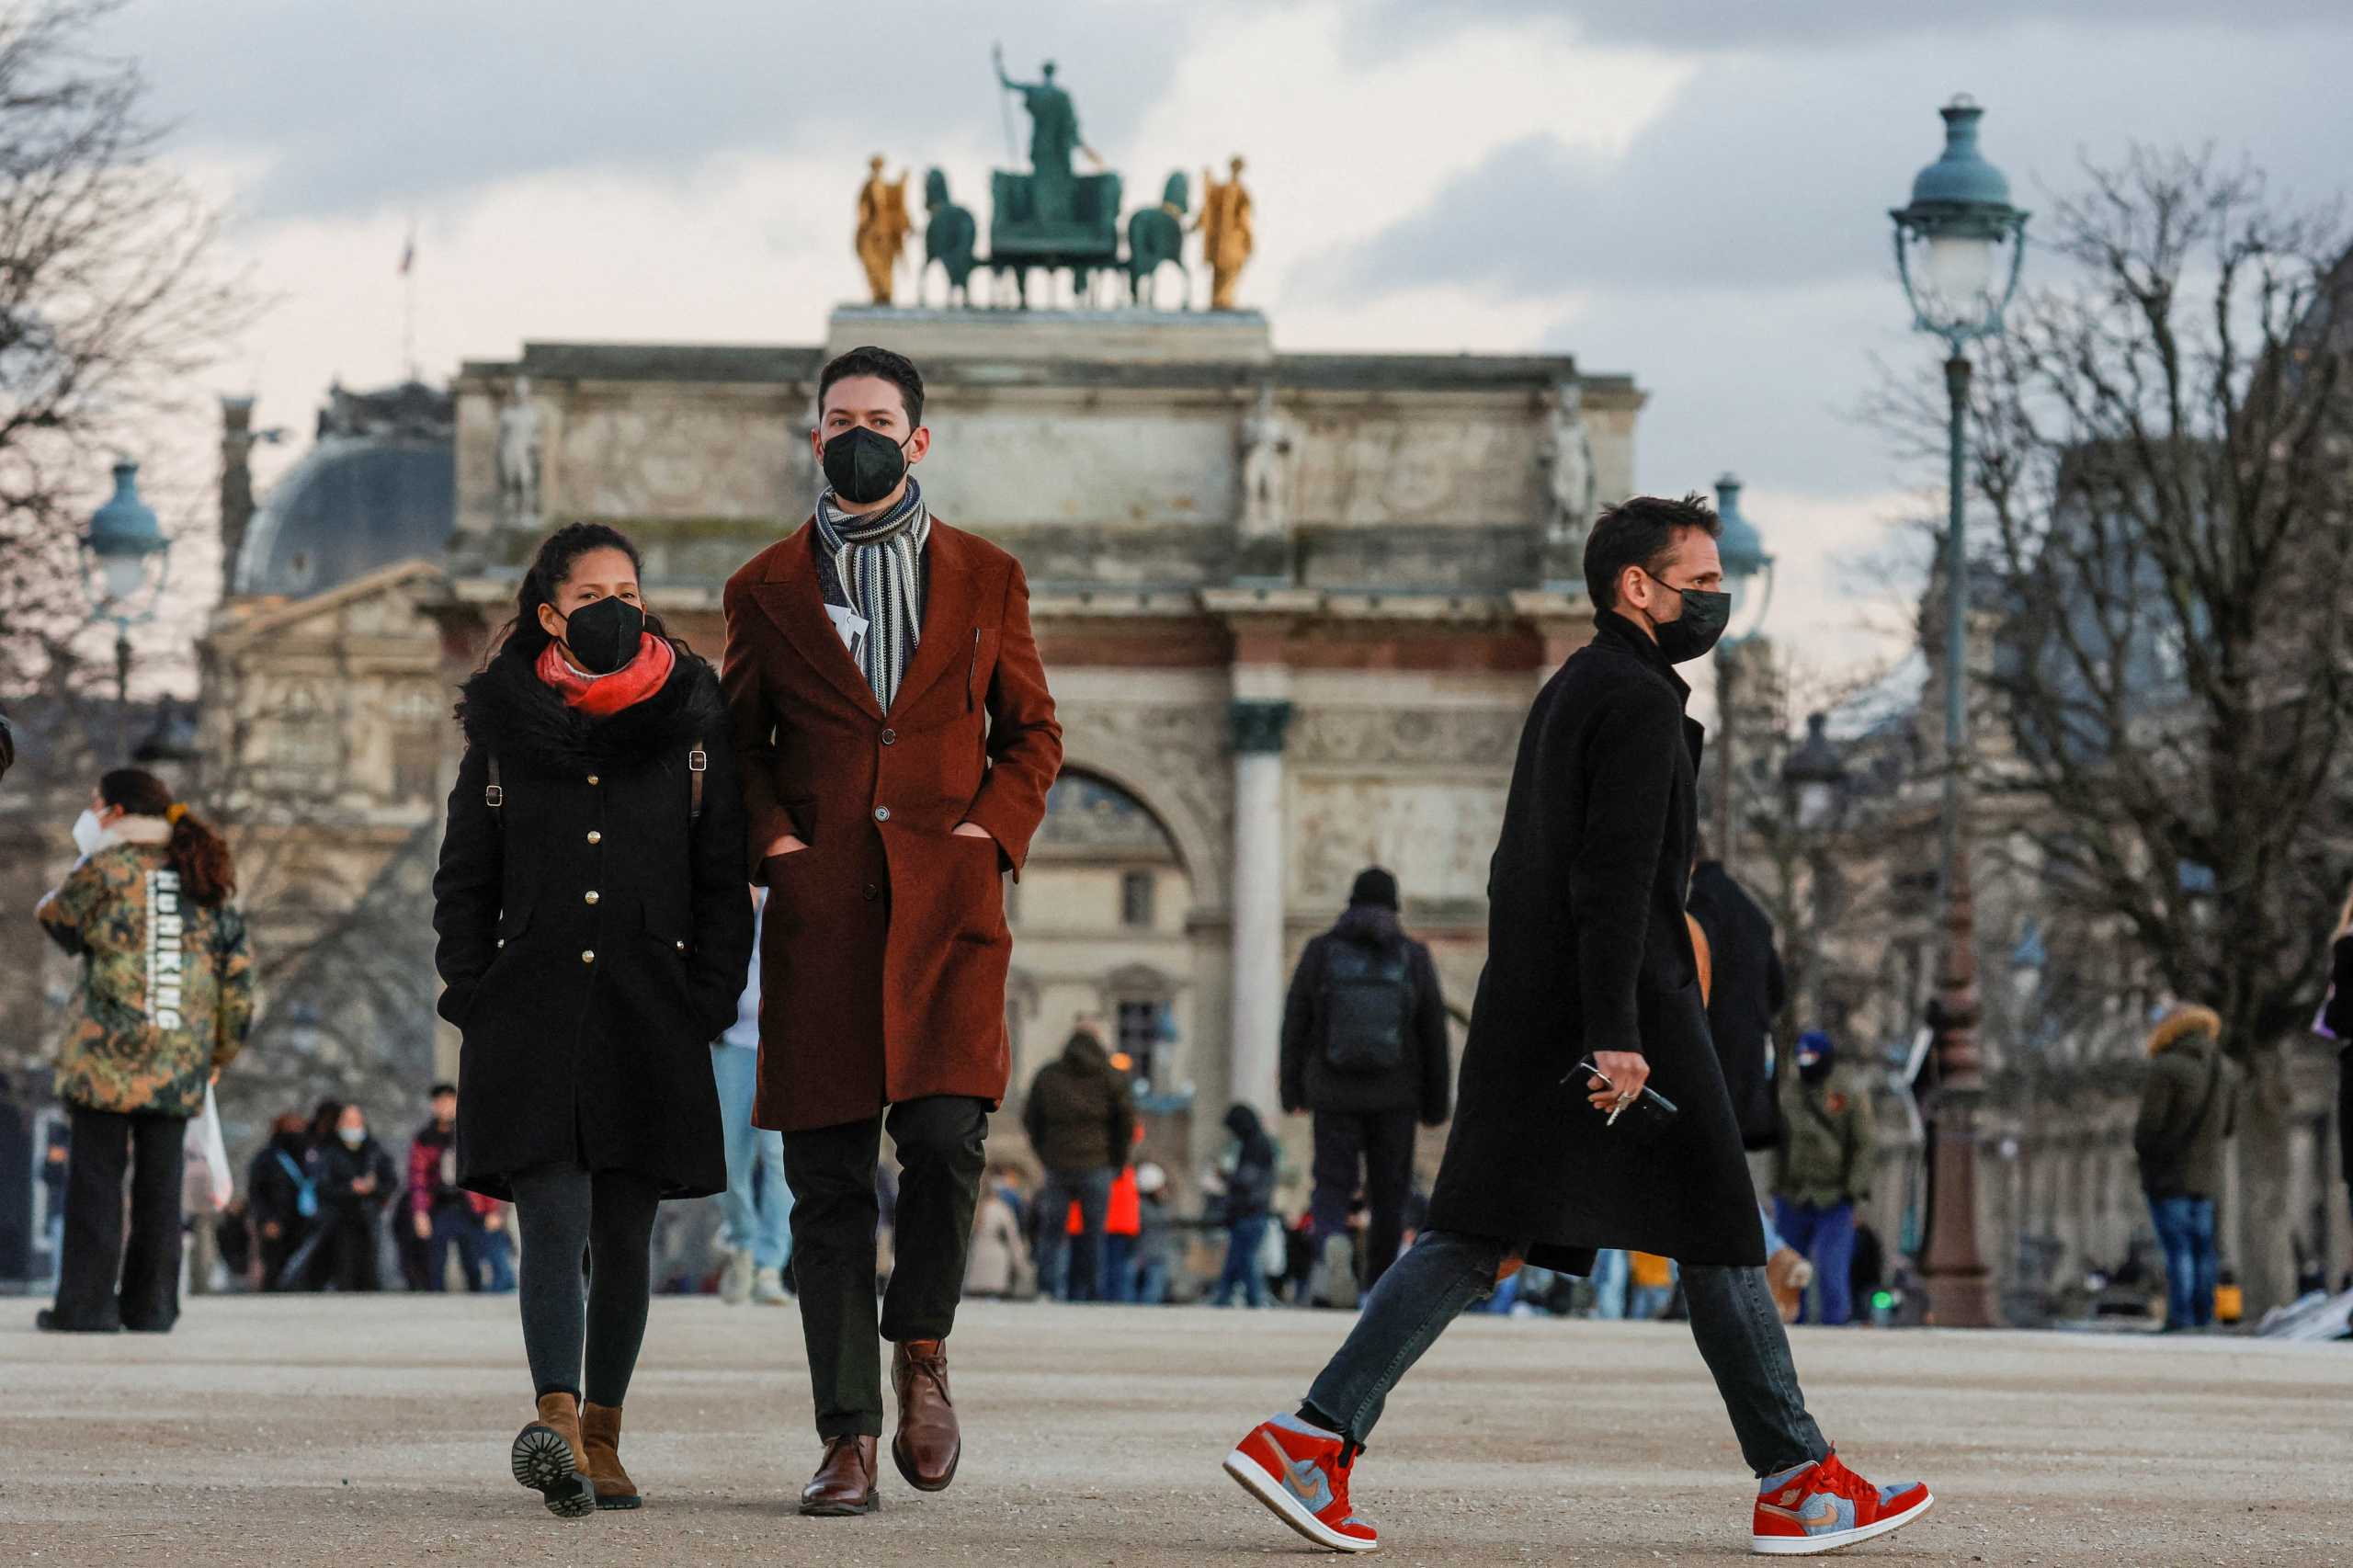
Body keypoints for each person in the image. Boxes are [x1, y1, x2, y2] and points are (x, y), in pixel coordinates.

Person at [1222, 495, 1931, 1558]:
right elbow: (1617, 882)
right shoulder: (1640, 702)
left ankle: (1309, 1438)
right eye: (1697, 581)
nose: (1714, 600)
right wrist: (1617, 1030)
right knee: (1719, 1230)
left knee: (1478, 1235)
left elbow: (1524, 871)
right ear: (1633, 586)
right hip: (1627, 1011)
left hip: (1541, 1009)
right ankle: (1795, 1479)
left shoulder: (1575, 686)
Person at [722, 344, 1061, 1515]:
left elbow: (1033, 733)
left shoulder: (988, 575)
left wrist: (986, 837)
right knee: (823, 1182)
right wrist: (776, 848)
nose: (855, 432)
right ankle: (845, 1434)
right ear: (814, 438)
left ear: (917, 439)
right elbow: (735, 749)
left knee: (949, 1138)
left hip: (946, 912)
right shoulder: (762, 586)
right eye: (836, 418)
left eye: (877, 416)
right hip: (824, 920)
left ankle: (922, 1347)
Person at [435, 521, 754, 1517]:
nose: (616, 605)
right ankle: (559, 1420)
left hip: (648, 1011)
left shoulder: (694, 723)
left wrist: (705, 996)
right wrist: (470, 988)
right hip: (529, 1012)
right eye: (591, 594)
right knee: (552, 1223)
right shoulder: (502, 728)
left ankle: (606, 1430)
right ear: (548, 613)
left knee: (626, 1236)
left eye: (629, 587)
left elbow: (721, 881)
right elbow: (464, 877)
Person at [34, 769, 254, 1334]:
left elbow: (55, 921)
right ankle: (151, 1307)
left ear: (113, 812)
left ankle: (85, 1307)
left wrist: (90, 854)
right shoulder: (202, 873)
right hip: (178, 1057)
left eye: (95, 806)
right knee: (160, 1191)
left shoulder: (105, 868)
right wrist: (218, 1056)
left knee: (96, 1184)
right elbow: (237, 978)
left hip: (104, 1058)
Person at [1279, 866, 1451, 1311]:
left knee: (1332, 1184)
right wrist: (1436, 1102)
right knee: (1389, 1192)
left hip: (1333, 1090)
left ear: (1349, 902)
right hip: (1396, 1093)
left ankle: (1331, 1245)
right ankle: (1377, 1286)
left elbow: (1295, 1023)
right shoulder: (1412, 955)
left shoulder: (1320, 951)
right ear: (1395, 906)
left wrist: (1292, 1090)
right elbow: (1434, 1031)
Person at [2132, 1004, 2241, 1333]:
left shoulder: (2166, 1068)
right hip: (2207, 1175)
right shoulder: (2225, 1069)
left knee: (2178, 1248)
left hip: (2168, 1174)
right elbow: (2229, 1126)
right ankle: (2203, 1314)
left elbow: (2150, 1127)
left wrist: (2147, 1153)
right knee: (2203, 1247)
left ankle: (2181, 1317)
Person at [713, 893, 793, 1307]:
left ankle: (769, 1262)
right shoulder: (727, 898)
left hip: (781, 1043)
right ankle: (741, 1241)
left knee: (780, 1156)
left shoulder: (791, 891)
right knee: (728, 1156)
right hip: (732, 1043)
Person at [1023, 1024, 1136, 1303]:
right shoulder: (1111, 1077)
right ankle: (1089, 1291)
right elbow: (1125, 1123)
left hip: (1058, 1163)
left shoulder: (1048, 1076)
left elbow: (1031, 1118)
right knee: (1093, 1234)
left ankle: (1046, 1289)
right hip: (1097, 1163)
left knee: (1052, 1232)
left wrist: (1045, 1153)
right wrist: (1117, 1161)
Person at [1687, 855, 1789, 1161]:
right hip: (1751, 1061)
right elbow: (1778, 992)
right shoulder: (1751, 911)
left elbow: (1694, 974)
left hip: (1714, 1056)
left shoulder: (1703, 906)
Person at [1771, 1032, 1875, 1326]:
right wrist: (1776, 1188)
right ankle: (1791, 1325)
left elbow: (1863, 1144)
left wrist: (1852, 1191)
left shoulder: (1847, 1094)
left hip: (1834, 1197)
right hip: (1794, 1194)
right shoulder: (1788, 1094)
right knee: (1790, 1269)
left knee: (1832, 1269)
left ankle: (1835, 1327)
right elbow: (1779, 1144)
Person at [408, 1084, 493, 1292]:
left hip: (469, 1206)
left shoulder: (471, 1132)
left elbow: (488, 1172)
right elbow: (417, 1178)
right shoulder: (425, 1138)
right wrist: (420, 1212)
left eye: (449, 1101)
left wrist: (493, 1209)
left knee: (473, 1262)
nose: (444, 1107)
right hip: (440, 1205)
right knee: (435, 1264)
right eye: (440, 1102)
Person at [316, 1103, 398, 1292]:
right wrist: (350, 1189)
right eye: (348, 1121)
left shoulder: (375, 1151)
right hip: (340, 1220)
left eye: (356, 1121)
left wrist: (373, 1187)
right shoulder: (329, 1152)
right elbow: (323, 1186)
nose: (352, 1126)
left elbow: (390, 1181)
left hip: (370, 1218)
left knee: (371, 1271)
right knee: (344, 1270)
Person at [1208, 1104, 1279, 1309]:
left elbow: (1248, 1180)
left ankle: (1255, 1299)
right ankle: (1224, 1296)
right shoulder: (1254, 1143)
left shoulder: (1256, 1145)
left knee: (1246, 1259)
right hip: (1247, 1212)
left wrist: (1226, 1176)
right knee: (1236, 1259)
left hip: (1251, 1211)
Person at [247, 1112, 323, 1290]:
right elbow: (256, 1192)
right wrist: (266, 1220)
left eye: (299, 1127)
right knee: (276, 1272)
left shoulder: (312, 1155)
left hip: (307, 1223)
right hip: (276, 1225)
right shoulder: (266, 1158)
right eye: (290, 1127)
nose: (296, 1131)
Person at [962, 1172, 1028, 1301]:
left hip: (974, 1270)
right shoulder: (1003, 1210)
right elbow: (1013, 1240)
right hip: (997, 1268)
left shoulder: (973, 1210)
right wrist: (1021, 1266)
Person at [1132, 1162, 1176, 1305]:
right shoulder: (1145, 1208)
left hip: (1156, 1255)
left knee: (1152, 1291)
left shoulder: (1157, 1206)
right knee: (1150, 1293)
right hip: (1147, 1256)